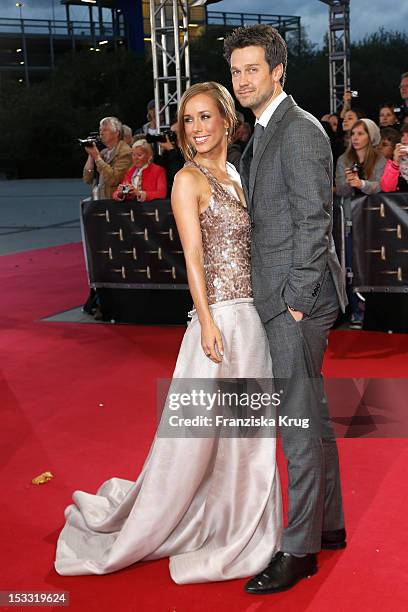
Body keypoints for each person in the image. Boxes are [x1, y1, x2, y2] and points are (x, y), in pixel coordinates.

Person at [54, 81, 282, 581]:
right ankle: (211, 522)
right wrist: (205, 321)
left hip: (253, 318)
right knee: (195, 439)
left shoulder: (238, 174)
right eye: (189, 120)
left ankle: (242, 518)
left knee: (247, 432)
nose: (197, 128)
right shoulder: (187, 180)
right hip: (220, 320)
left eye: (205, 118)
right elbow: (193, 259)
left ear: (227, 120)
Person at [224, 24, 347, 595]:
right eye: (236, 71)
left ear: (278, 71)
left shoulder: (297, 131)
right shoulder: (265, 131)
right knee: (313, 417)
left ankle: (298, 550)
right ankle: (329, 525)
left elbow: (314, 222)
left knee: (296, 424)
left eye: (252, 69)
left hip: (294, 301)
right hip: (283, 296)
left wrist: (294, 304)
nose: (242, 79)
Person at [335, 118, 386, 328]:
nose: (355, 138)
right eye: (353, 134)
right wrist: (349, 183)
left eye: (361, 133)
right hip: (349, 220)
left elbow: (383, 186)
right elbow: (340, 190)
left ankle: (373, 312)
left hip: (373, 219)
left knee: (371, 265)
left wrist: (362, 183)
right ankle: (354, 310)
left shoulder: (380, 160)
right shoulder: (343, 160)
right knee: (350, 267)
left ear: (370, 136)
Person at [83, 116, 132, 200]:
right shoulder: (103, 152)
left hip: (116, 203)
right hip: (101, 200)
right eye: (100, 130)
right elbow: (87, 179)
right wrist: (91, 156)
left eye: (105, 130)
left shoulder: (125, 152)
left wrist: (97, 158)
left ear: (116, 133)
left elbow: (114, 179)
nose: (101, 133)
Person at [381, 123, 408, 192]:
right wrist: (395, 163)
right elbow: (387, 188)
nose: (404, 139)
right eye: (403, 135)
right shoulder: (391, 162)